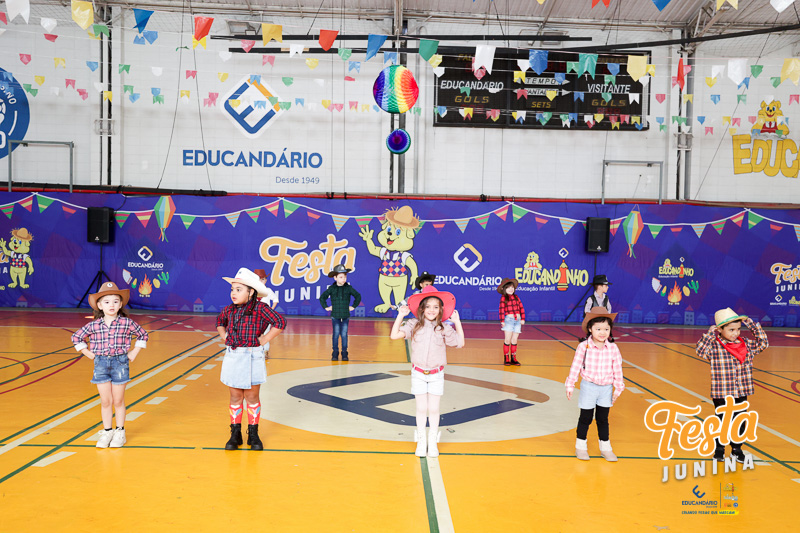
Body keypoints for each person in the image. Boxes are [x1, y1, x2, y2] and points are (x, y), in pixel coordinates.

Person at [71, 281, 149, 448]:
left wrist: (134, 352)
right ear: (100, 305)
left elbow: (143, 334)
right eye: (106, 302)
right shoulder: (94, 325)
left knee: (118, 400)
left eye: (115, 301)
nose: (111, 305)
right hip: (100, 364)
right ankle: (107, 431)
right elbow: (76, 337)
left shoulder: (126, 323)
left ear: (120, 304)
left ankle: (120, 432)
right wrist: (87, 353)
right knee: (106, 401)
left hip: (120, 363)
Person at [390, 285, 464, 457]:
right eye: (428, 306)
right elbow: (394, 335)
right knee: (421, 409)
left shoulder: (444, 327)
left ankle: (433, 441)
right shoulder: (413, 324)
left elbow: (459, 343)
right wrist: (400, 315)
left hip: (436, 374)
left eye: (436, 307)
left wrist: (457, 322)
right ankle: (421, 440)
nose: (432, 310)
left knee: (434, 409)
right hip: (418, 374)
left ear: (441, 310)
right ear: (422, 308)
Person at [217, 268, 286, 451]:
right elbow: (220, 322)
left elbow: (280, 322)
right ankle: (235, 433)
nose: (233, 293)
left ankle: (253, 434)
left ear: (251, 292)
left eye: (239, 289)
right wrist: (224, 336)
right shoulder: (228, 310)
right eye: (232, 289)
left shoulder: (261, 308)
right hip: (233, 356)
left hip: (253, 356)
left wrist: (265, 339)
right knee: (235, 396)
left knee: (252, 396)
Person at [695, 308, 769, 463]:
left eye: (738, 329)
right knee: (722, 420)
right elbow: (700, 351)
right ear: (720, 330)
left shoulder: (746, 344)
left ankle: (736, 449)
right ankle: (719, 449)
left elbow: (763, 343)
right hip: (722, 392)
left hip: (741, 390)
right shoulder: (715, 346)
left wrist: (751, 324)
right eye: (731, 330)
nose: (736, 333)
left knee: (740, 420)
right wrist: (709, 334)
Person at [565, 307, 624, 462]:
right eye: (598, 329)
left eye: (606, 329)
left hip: (606, 389)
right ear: (590, 329)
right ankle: (580, 447)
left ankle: (606, 448)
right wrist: (570, 384)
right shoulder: (583, 347)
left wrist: (618, 387)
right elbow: (576, 366)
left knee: (603, 419)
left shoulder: (613, 348)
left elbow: (617, 368)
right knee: (585, 418)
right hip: (589, 387)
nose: (602, 332)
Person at [319, 264, 361, 361]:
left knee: (344, 335)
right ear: (335, 278)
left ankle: (344, 352)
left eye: (345, 277)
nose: (343, 279)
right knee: (336, 334)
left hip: (345, 316)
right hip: (335, 316)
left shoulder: (348, 288)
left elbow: (358, 296)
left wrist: (353, 306)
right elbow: (322, 297)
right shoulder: (332, 288)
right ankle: (335, 352)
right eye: (341, 277)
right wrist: (326, 307)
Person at [498, 278, 524, 366]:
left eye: (512, 287)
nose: (511, 289)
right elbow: (501, 310)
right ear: (504, 289)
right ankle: (506, 358)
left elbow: (521, 308)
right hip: (509, 320)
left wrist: (522, 318)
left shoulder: (516, 297)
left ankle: (513, 358)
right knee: (507, 339)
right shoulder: (503, 298)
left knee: (514, 339)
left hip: (517, 320)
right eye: (508, 287)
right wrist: (502, 321)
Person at [254, 268, 279, 358]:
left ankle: (265, 351)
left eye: (264, 279)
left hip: (265, 316)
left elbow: (275, 299)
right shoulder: (253, 291)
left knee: (265, 333)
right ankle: (256, 351)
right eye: (260, 279)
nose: (263, 281)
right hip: (255, 315)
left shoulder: (268, 290)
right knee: (254, 333)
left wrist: (271, 310)